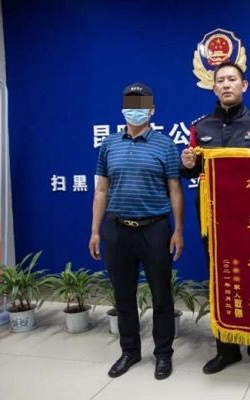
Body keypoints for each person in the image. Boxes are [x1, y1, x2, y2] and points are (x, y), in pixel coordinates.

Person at [180, 61, 250, 382]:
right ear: (214, 87)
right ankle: (226, 349)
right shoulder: (200, 127)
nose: (226, 85)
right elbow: (192, 171)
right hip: (215, 223)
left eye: (232, 79)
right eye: (220, 80)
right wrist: (187, 164)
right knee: (221, 283)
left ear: (243, 85)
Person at [89, 82, 184, 380]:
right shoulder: (109, 145)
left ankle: (163, 354)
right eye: (130, 104)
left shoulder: (165, 145)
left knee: (161, 295)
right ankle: (129, 351)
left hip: (154, 229)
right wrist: (95, 231)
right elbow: (101, 190)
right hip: (117, 229)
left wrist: (178, 230)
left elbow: (175, 190)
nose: (135, 110)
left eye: (141, 105)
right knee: (123, 295)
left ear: (151, 110)